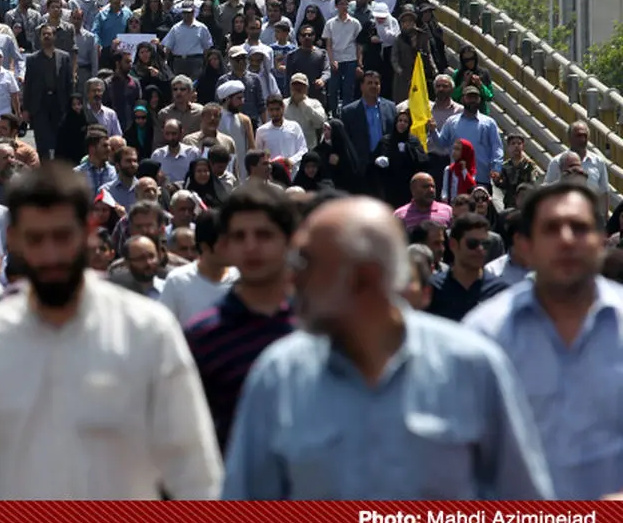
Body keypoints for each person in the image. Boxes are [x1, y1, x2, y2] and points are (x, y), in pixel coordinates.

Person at [223, 196, 553, 500]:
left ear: (363, 277)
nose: (292, 278)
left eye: (306, 263)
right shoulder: (278, 376)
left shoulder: (471, 367)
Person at [0, 164, 222, 499]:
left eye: (62, 237)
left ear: (88, 231)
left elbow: (195, 476)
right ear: (13, 239)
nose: (50, 254)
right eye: (36, 239)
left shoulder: (147, 332)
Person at [464, 183, 620, 499]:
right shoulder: (485, 335)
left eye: (579, 228)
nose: (566, 239)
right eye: (551, 229)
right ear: (526, 246)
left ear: (601, 240)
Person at [184, 184, 296, 455]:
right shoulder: (203, 336)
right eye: (239, 236)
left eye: (264, 235)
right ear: (225, 245)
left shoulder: (320, 327)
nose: (251, 247)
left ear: (289, 241)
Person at [157, 208, 240, 326]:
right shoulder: (177, 281)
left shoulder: (242, 280)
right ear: (205, 246)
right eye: (225, 244)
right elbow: (163, 327)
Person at [426, 213, 510, 322]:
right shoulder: (432, 289)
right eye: (472, 243)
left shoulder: (499, 291)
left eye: (485, 244)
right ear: (453, 245)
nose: (480, 249)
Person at [22, 24, 75, 160]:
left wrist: (71, 105)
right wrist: (26, 109)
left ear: (54, 37)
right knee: (42, 142)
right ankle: (44, 168)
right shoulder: (32, 59)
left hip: (59, 104)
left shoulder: (64, 57)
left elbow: (69, 83)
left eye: (49, 34)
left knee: (60, 140)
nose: (46, 36)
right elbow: (28, 84)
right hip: (40, 106)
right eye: (43, 34)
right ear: (40, 38)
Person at [338, 70, 396, 179]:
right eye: (369, 83)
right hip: (361, 167)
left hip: (386, 164)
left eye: (376, 83)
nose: (373, 86)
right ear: (361, 86)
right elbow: (345, 141)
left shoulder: (391, 108)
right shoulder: (349, 111)